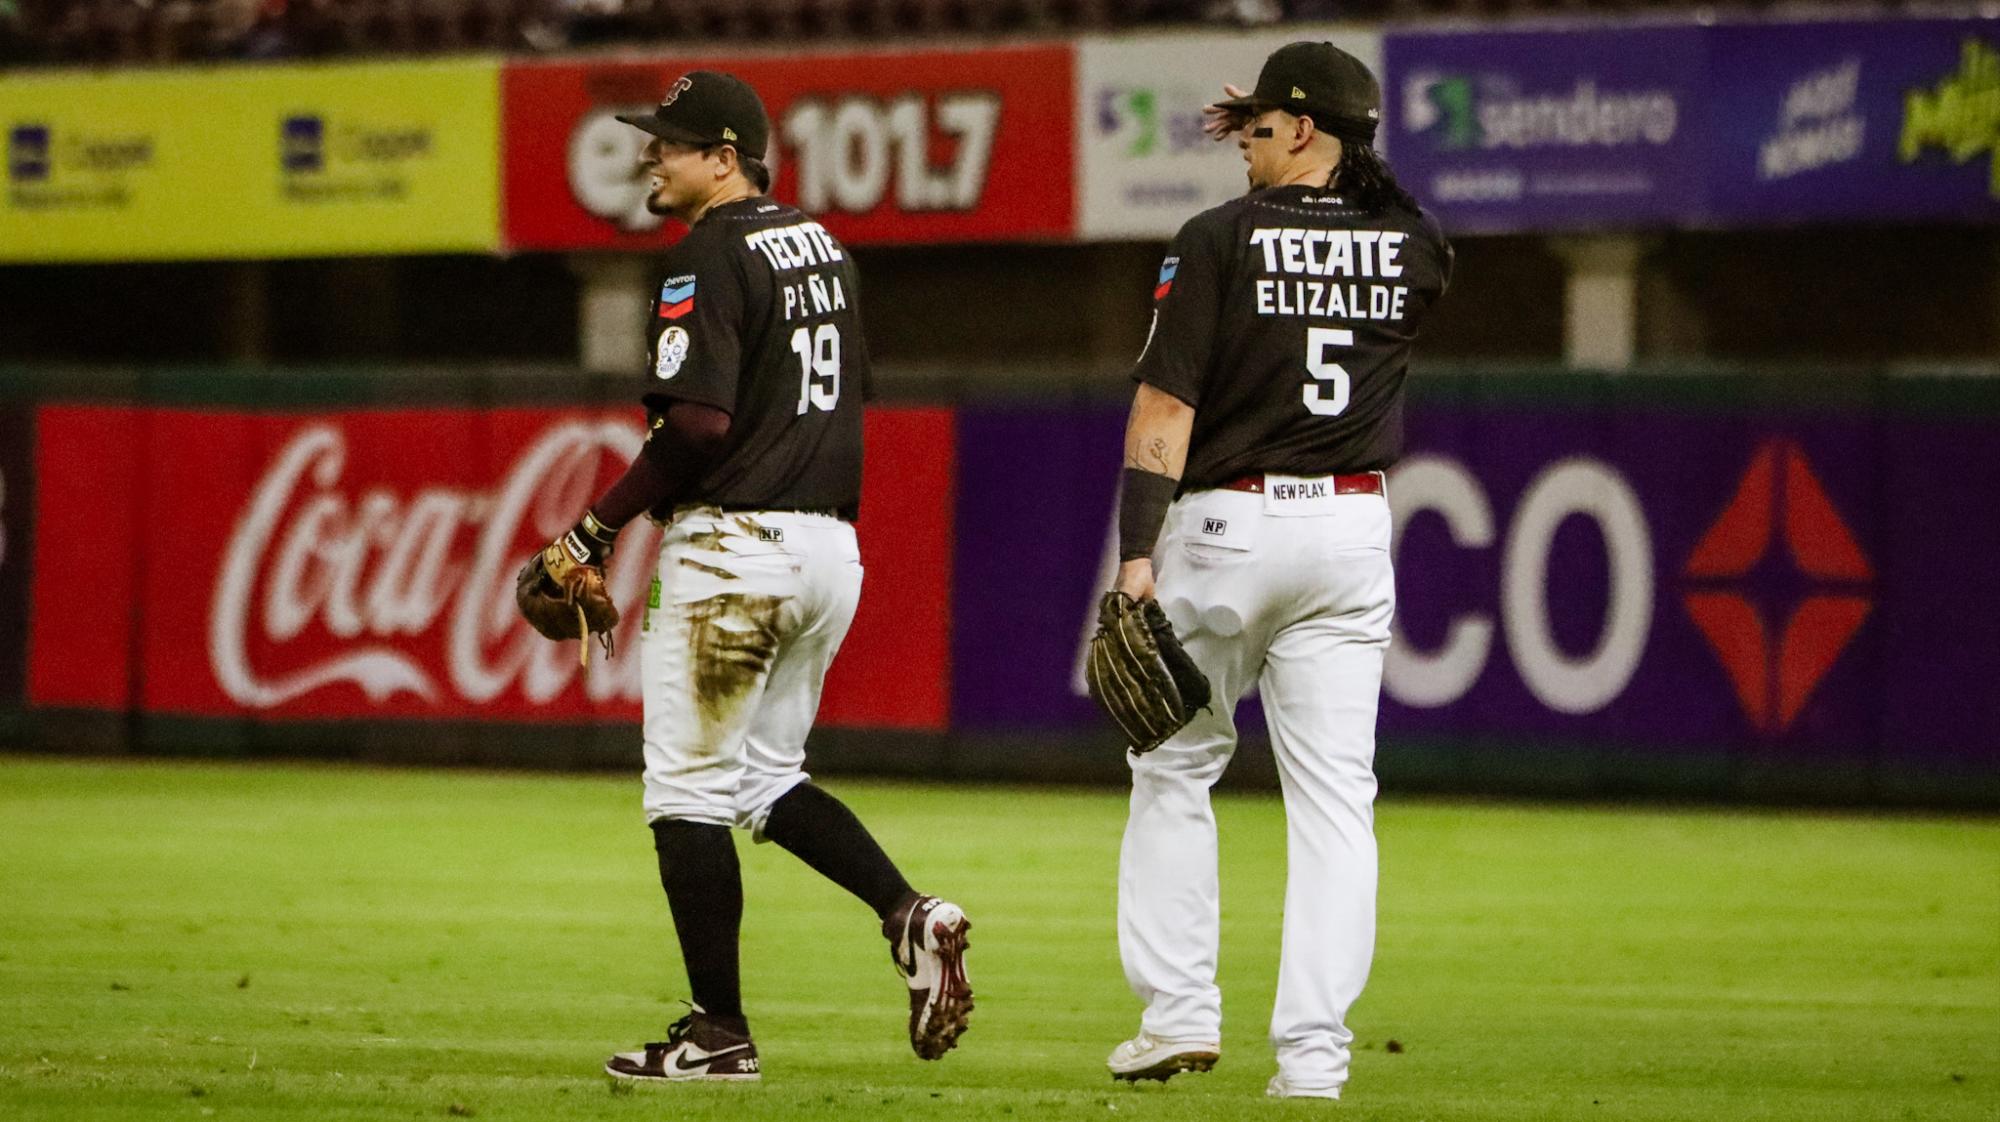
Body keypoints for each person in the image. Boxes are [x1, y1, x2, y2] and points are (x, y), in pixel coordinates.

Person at [522, 71, 973, 1083]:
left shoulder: (707, 253)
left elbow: (696, 425)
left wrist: (594, 529)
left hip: (735, 551)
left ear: (724, 159)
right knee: (765, 779)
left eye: (670, 143)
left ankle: (716, 1031)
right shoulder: (821, 247)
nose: (651, 156)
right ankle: (910, 913)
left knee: (685, 789)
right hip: (829, 552)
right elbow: (845, 396)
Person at [1101, 41, 1453, 1099]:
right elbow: (1396, 236)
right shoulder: (1414, 241)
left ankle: (1178, 1014)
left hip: (1229, 527)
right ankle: (1312, 1061)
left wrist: (1134, 554)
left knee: (1174, 764)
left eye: (1259, 127)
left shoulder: (1216, 238)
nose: (1242, 145)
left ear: (1302, 130)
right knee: (1336, 804)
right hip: (1349, 532)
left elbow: (1165, 407)